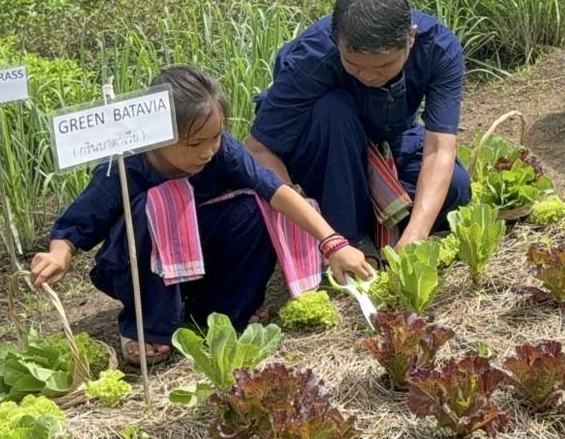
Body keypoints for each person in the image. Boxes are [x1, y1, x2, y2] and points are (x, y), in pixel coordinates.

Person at [30, 66, 367, 366]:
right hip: (142, 269)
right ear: (158, 136)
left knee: (255, 207)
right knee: (154, 206)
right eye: (194, 144)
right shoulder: (125, 166)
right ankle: (149, 326)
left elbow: (275, 190)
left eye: (215, 138)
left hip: (203, 260)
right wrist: (59, 254)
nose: (207, 151)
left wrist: (332, 243)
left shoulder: (223, 153)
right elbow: (78, 223)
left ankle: (223, 310)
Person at [244, 0, 471, 260]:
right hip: (326, 151)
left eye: (384, 65)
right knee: (333, 109)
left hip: (388, 139)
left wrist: (416, 234)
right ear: (335, 40)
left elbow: (438, 148)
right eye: (353, 65)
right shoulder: (311, 56)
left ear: (411, 38)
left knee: (455, 187)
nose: (369, 76)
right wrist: (308, 223)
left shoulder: (439, 49)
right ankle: (349, 236)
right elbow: (258, 148)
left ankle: (383, 225)